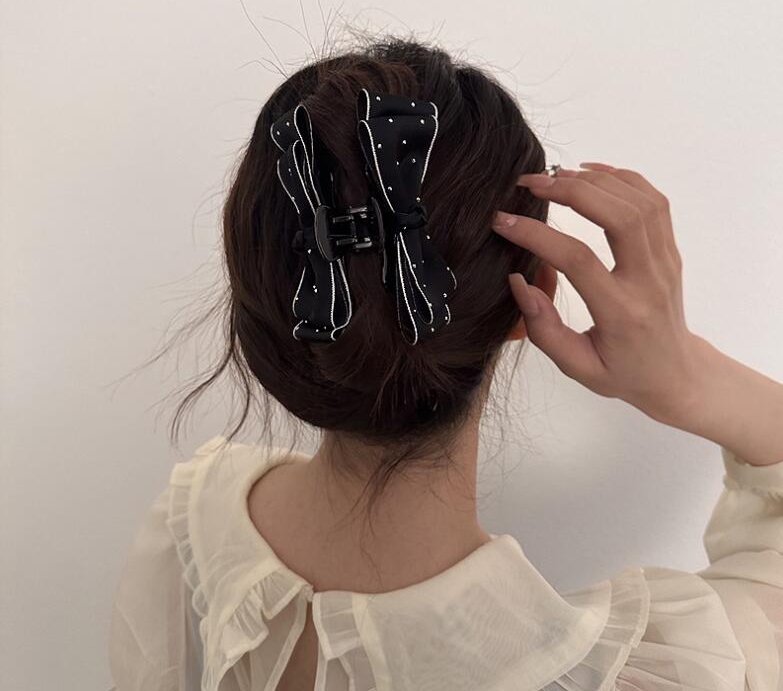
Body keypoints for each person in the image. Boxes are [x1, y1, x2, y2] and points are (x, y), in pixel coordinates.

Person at [108, 38, 783, 691]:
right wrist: (684, 379)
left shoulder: (192, 531)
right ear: (534, 299)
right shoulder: (667, 674)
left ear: (260, 283)